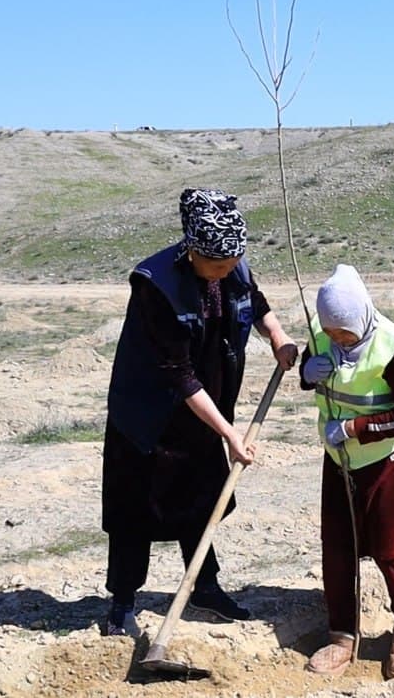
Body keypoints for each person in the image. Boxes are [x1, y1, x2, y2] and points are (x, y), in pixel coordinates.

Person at [101, 188, 297, 637]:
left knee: (200, 499)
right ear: (191, 250)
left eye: (233, 262)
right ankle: (122, 603)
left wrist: (278, 337)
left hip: (204, 411)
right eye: (218, 265)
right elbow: (179, 373)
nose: (227, 271)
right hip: (149, 417)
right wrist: (230, 433)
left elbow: (256, 301)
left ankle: (204, 587)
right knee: (136, 512)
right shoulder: (155, 286)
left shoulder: (232, 264)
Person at [300, 264, 394, 680]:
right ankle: (342, 635)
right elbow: (309, 375)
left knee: (390, 547)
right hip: (339, 460)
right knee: (337, 549)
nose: (336, 339)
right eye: (331, 331)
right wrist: (307, 372)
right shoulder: (320, 335)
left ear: (361, 317)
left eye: (344, 332)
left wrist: (357, 427)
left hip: (389, 460)